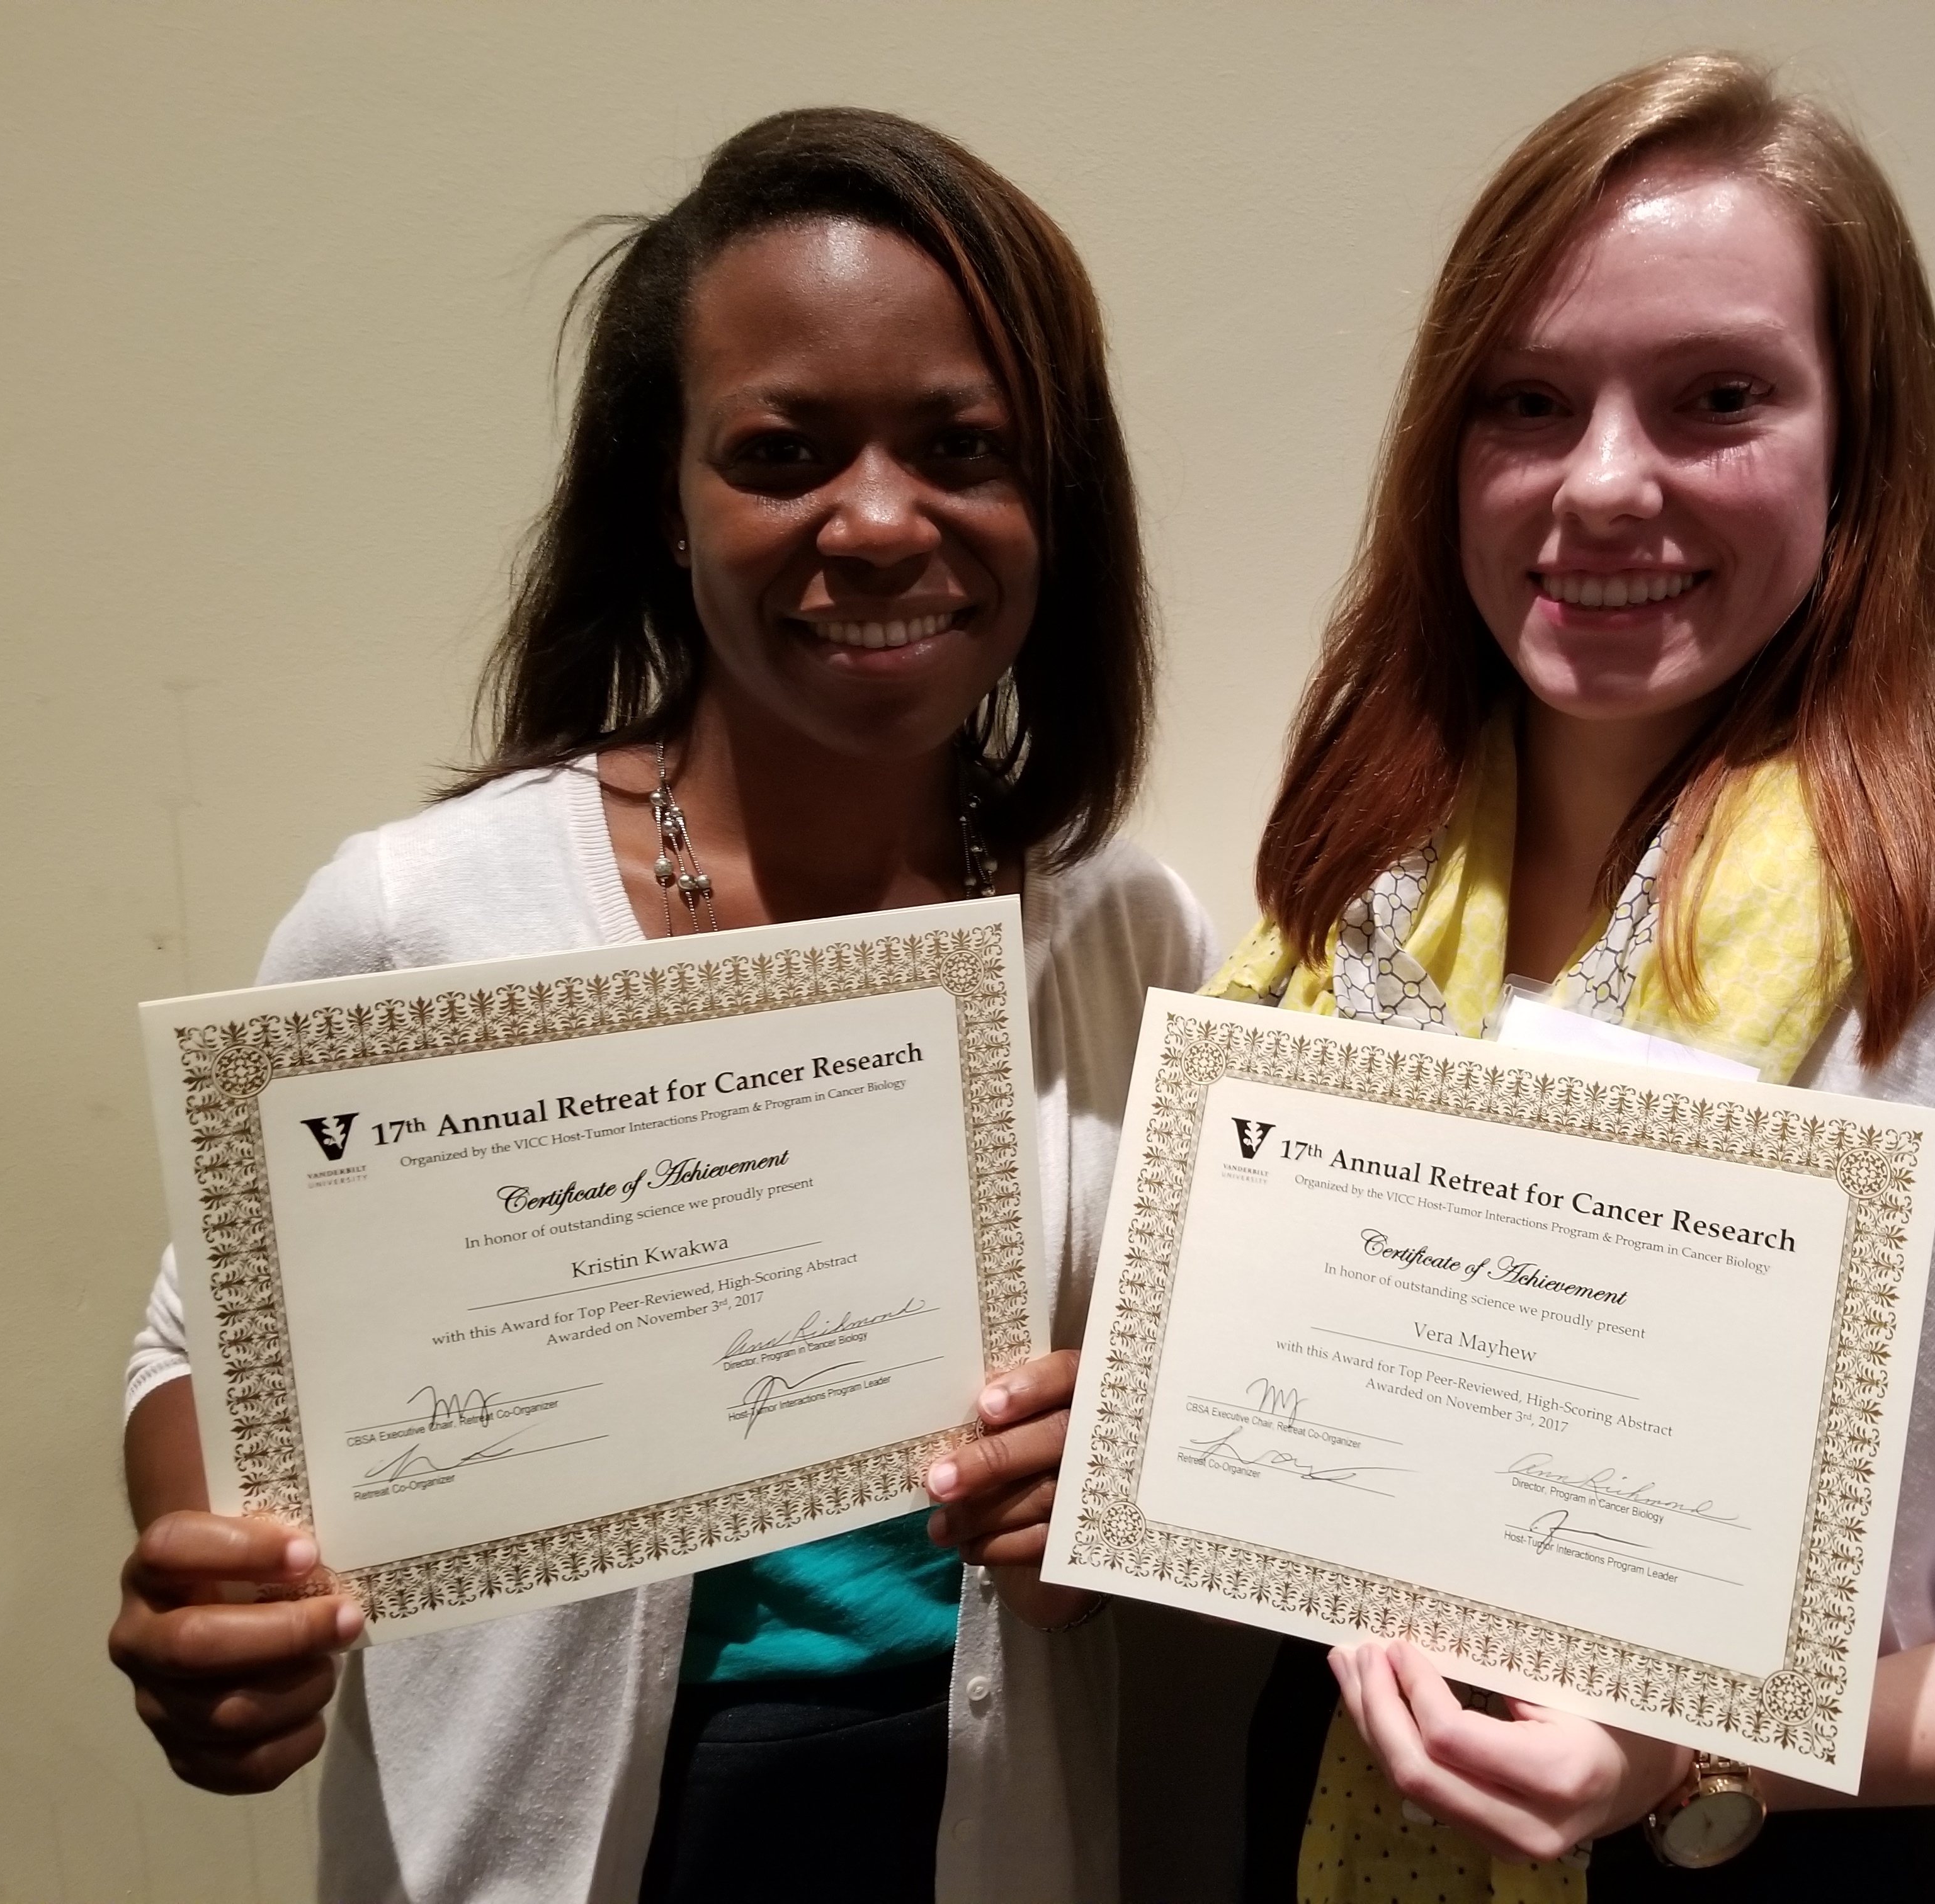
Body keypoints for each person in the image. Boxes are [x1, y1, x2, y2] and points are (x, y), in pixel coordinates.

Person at [1215, 54, 1935, 1903]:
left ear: (1860, 450)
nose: (1602, 483)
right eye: (1528, 401)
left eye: (1719, 398)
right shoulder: (1363, 892)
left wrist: (1696, 1742)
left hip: (1745, 1854)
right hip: (1324, 1805)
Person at [108, 108, 1213, 1904]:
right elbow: (198, 1348)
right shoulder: (422, 919)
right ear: (666, 502)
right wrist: (222, 1582)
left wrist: (1115, 1484)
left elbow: (1198, 1408)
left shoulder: (1125, 935)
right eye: (781, 453)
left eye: (965, 448)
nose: (878, 522)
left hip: (975, 1832)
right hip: (531, 1844)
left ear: (1056, 501)